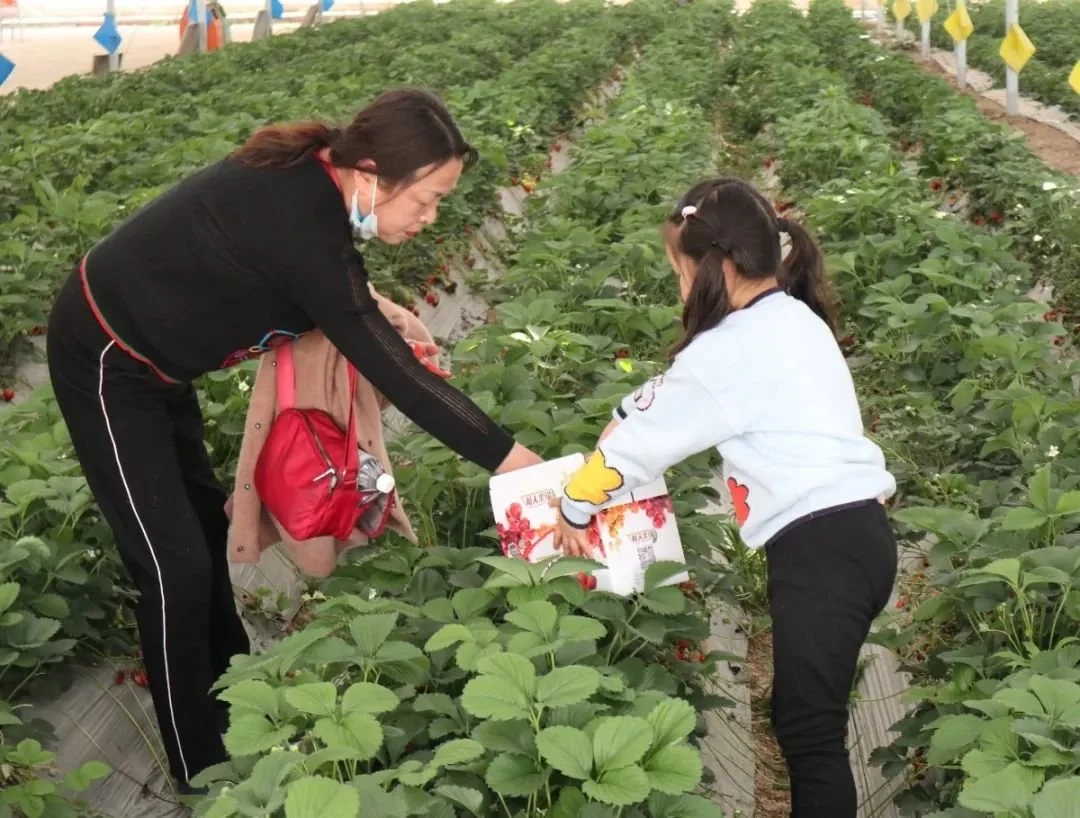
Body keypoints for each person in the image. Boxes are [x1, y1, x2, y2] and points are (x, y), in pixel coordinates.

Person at [45, 88, 541, 794]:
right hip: (106, 355)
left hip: (162, 368)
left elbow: (337, 296)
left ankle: (235, 700)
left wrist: (371, 310)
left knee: (194, 531)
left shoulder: (317, 193)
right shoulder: (299, 217)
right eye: (426, 199)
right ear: (371, 172)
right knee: (171, 565)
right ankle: (202, 768)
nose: (431, 220)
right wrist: (518, 463)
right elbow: (395, 373)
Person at [553, 177, 898, 818]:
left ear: (718, 266)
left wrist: (574, 505)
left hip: (822, 553)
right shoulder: (791, 316)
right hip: (856, 543)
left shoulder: (729, 349)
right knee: (804, 720)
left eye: (681, 274)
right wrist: (626, 415)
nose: (682, 290)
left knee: (810, 735)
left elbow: (638, 447)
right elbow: (663, 402)